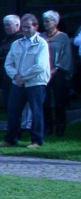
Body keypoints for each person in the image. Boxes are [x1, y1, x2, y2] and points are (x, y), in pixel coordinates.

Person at [4, 13, 50, 148]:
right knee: (13, 110)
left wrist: (24, 77)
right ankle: (11, 139)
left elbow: (40, 66)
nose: (25, 30)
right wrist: (15, 76)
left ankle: (37, 140)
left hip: (35, 83)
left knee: (36, 111)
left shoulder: (41, 43)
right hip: (17, 82)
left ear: (36, 27)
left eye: (28, 27)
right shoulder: (16, 43)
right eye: (23, 27)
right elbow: (8, 63)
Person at [41, 10, 73, 138]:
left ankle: (60, 127)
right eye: (44, 21)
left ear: (55, 22)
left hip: (58, 72)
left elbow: (67, 55)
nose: (45, 23)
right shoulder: (41, 36)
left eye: (48, 21)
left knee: (59, 100)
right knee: (45, 101)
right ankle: (47, 127)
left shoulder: (63, 37)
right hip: (43, 72)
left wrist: (56, 68)